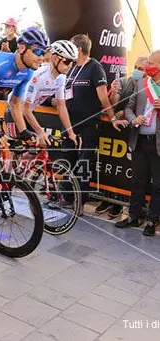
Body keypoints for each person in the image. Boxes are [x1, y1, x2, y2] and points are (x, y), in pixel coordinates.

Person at [63, 34, 117, 210]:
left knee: (84, 163)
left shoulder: (95, 67)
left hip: (88, 124)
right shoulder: (70, 67)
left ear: (79, 49)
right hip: (69, 124)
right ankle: (66, 198)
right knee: (67, 161)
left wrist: (113, 117)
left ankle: (80, 202)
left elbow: (103, 95)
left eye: (70, 48)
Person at [96, 57, 148, 218]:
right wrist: (115, 92)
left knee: (128, 168)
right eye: (136, 66)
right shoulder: (123, 81)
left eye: (142, 68)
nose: (138, 70)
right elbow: (112, 104)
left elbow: (137, 108)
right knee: (109, 164)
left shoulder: (148, 87)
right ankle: (109, 199)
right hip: (114, 130)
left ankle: (121, 202)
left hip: (133, 132)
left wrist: (122, 113)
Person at [115, 50, 160, 236]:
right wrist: (134, 120)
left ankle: (152, 220)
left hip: (157, 144)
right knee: (137, 181)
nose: (147, 66)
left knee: (158, 185)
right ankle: (133, 216)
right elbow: (129, 107)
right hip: (139, 140)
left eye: (151, 63)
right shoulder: (141, 82)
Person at [5, 40, 79, 148]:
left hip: (29, 114)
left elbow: (61, 106)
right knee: (17, 152)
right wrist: (40, 132)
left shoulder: (61, 78)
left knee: (37, 150)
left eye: (73, 62)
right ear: (54, 58)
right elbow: (25, 109)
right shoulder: (37, 76)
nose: (70, 66)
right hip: (15, 113)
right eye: (67, 61)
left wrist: (71, 133)